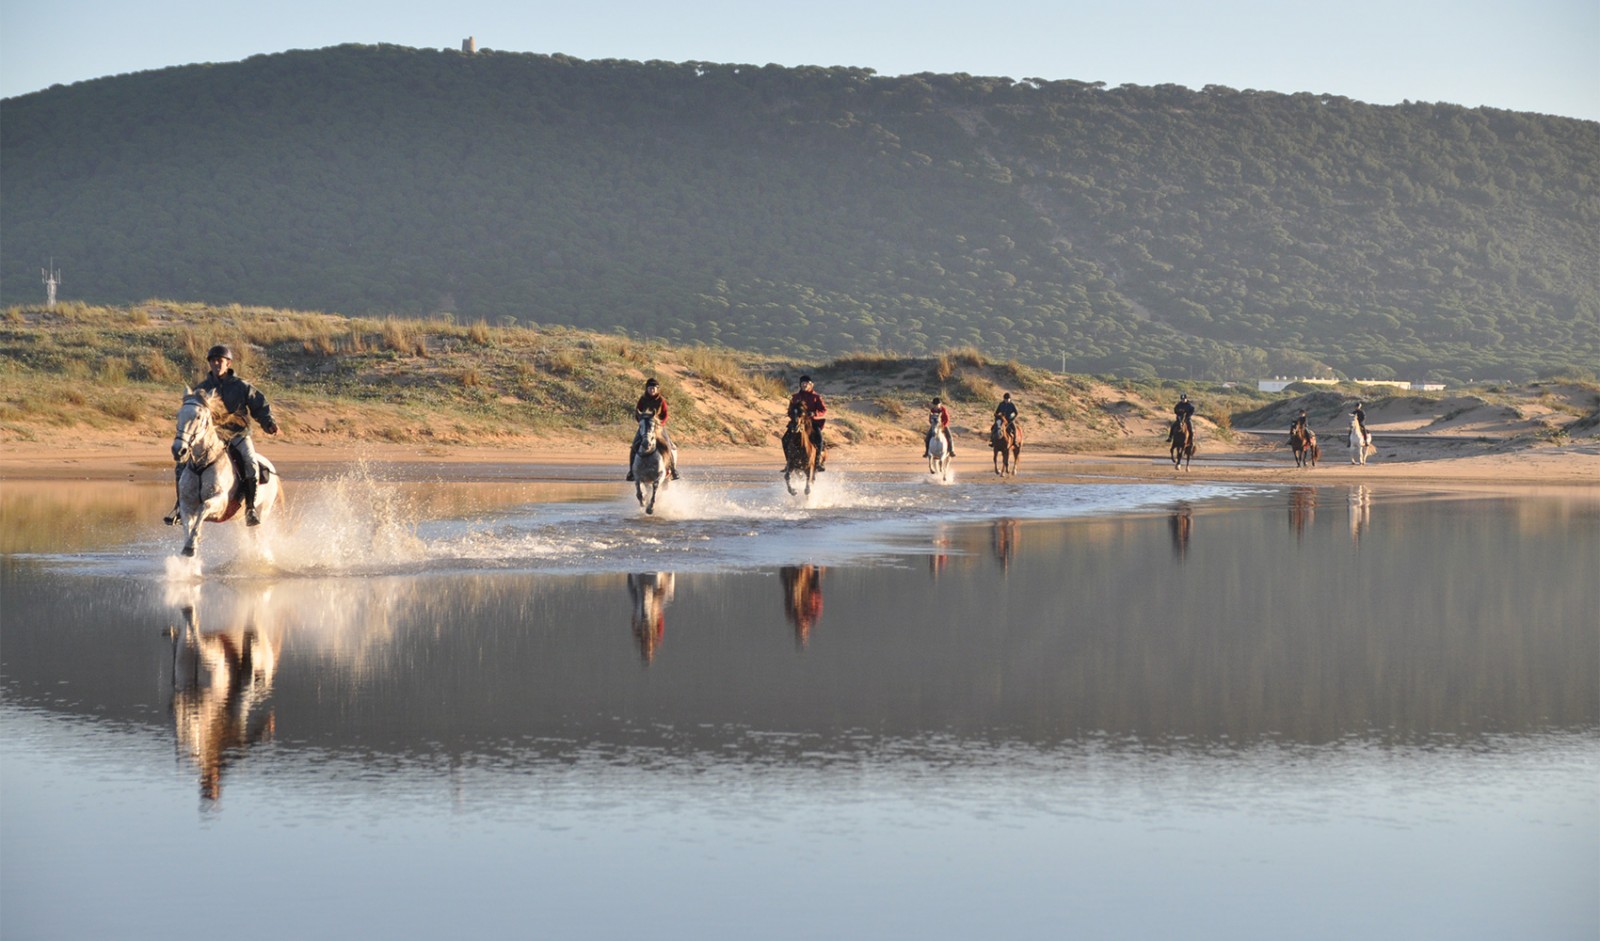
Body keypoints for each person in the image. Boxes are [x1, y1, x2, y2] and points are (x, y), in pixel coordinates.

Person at [187, 344, 278, 526]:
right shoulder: (201, 389)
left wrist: (268, 422)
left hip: (238, 435)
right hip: (212, 439)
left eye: (220, 361)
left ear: (228, 363)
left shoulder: (242, 387)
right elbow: (192, 412)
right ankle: (179, 507)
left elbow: (259, 406)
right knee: (183, 463)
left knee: (250, 461)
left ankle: (250, 508)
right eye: (213, 361)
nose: (216, 364)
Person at [626, 377, 679, 481]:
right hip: (645, 426)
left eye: (654, 388)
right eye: (650, 388)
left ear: (657, 389)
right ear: (647, 389)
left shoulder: (661, 400)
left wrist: (660, 424)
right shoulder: (642, 399)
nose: (652, 390)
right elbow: (637, 412)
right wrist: (642, 422)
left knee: (668, 444)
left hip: (658, 427)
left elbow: (665, 414)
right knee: (634, 445)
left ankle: (673, 469)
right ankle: (631, 471)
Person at [787, 375, 828, 470]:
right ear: (800, 385)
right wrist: (794, 416)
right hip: (797, 422)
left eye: (806, 383)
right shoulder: (795, 397)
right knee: (785, 439)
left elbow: (823, 410)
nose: (804, 385)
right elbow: (790, 411)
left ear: (811, 385)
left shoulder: (816, 397)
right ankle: (789, 463)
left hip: (812, 423)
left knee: (819, 438)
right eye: (802, 383)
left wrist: (814, 413)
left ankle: (817, 463)